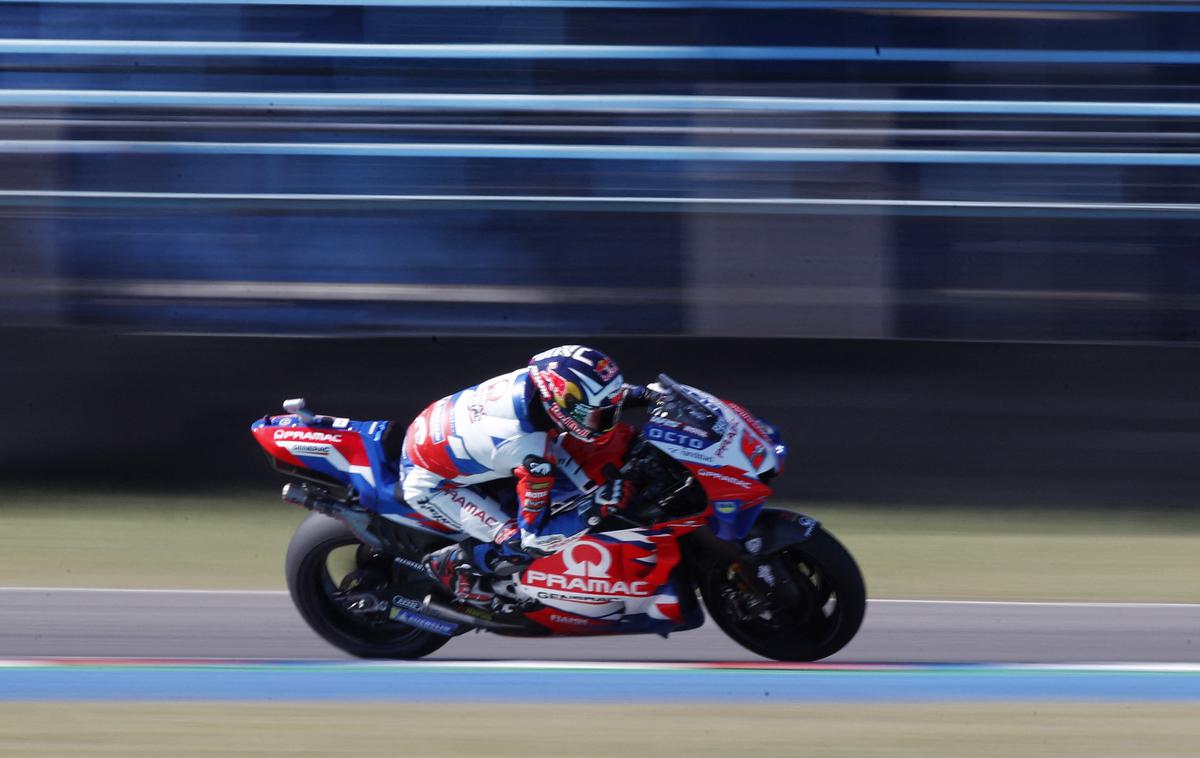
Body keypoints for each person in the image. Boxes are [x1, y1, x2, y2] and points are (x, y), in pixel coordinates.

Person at [399, 344, 651, 606]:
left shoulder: (538, 383)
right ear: (560, 402)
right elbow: (537, 538)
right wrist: (596, 508)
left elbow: (595, 396)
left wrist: (643, 395)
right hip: (432, 485)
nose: (606, 423)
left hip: (436, 430)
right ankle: (452, 566)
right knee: (517, 544)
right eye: (599, 417)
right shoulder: (532, 452)